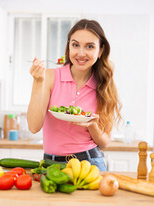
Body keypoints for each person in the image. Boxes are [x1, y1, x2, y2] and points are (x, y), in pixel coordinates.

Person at [27, 19, 121, 171]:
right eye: (75, 45)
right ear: (69, 46)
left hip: (90, 163)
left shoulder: (104, 86)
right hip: (52, 165)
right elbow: (33, 126)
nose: (81, 53)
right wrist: (38, 82)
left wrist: (93, 125)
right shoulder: (49, 77)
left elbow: (104, 143)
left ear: (101, 51)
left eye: (90, 46)